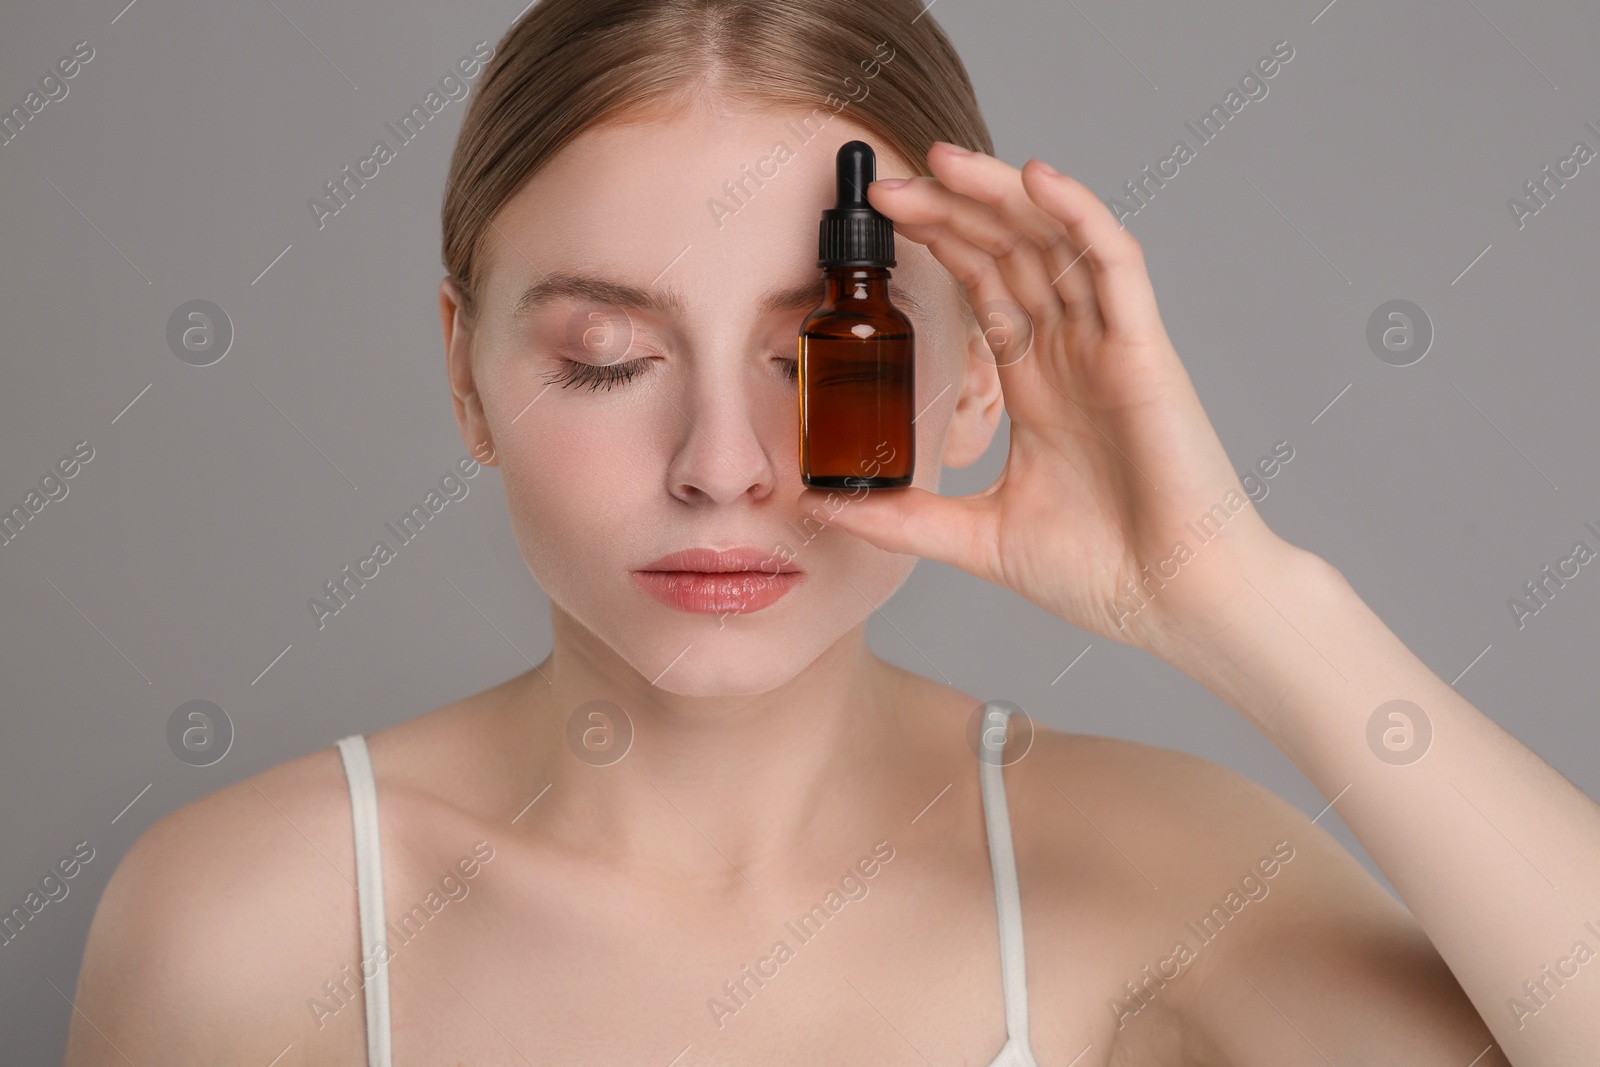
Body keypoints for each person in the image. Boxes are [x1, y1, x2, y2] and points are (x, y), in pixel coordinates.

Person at [65, 1, 1598, 1064]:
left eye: (830, 359)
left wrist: (1246, 600)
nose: (725, 467)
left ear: (976, 380)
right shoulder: (250, 921)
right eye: (608, 359)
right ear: (466, 377)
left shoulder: (1159, 882)